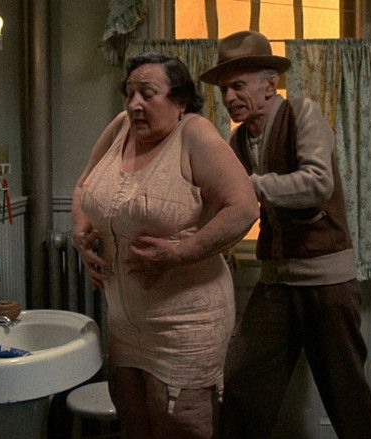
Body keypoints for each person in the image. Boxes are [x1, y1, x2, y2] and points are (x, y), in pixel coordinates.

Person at [199, 30, 371, 438]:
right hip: (276, 282)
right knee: (242, 386)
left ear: (270, 84)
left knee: (346, 396)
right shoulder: (238, 140)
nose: (228, 97)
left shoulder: (304, 114)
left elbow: (318, 183)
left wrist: (249, 186)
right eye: (224, 89)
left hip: (327, 284)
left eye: (237, 86)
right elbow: (229, 203)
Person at [71, 52, 258, 439]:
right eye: (130, 93)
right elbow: (83, 186)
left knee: (180, 424)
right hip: (124, 320)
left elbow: (244, 208)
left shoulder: (194, 134)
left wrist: (178, 253)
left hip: (184, 324)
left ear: (180, 100)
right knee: (132, 420)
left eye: (147, 93)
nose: (134, 104)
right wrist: (80, 233)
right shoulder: (121, 127)